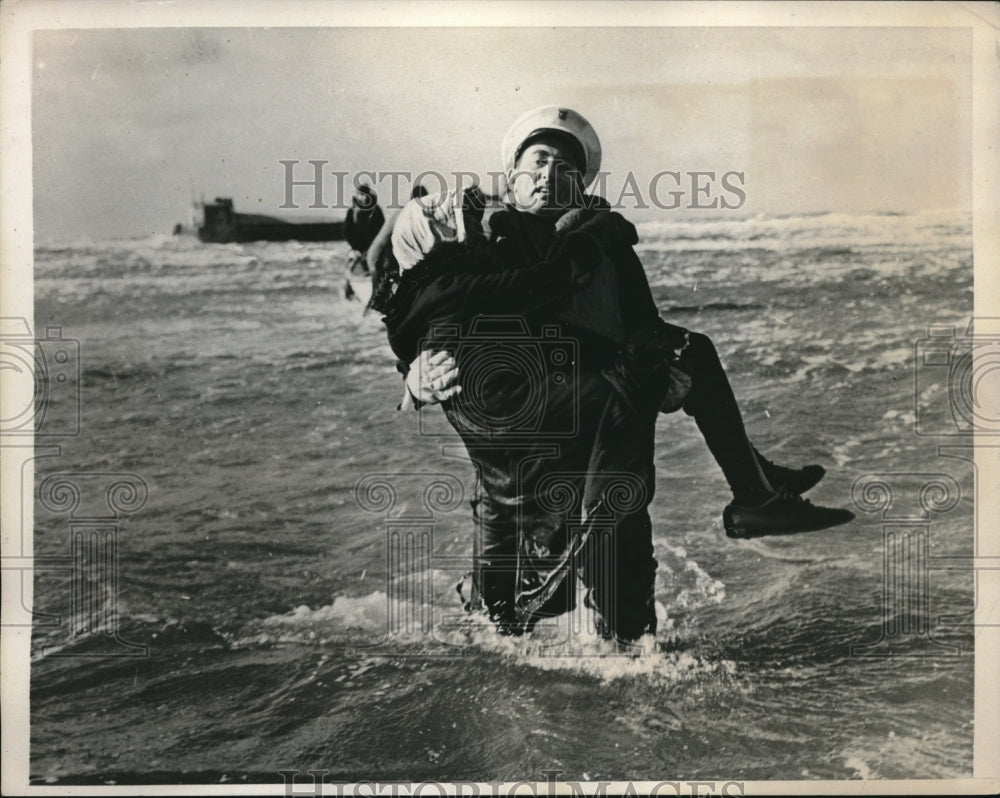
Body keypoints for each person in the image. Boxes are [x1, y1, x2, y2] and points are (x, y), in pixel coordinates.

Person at [395, 107, 854, 641]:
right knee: (501, 629)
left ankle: (750, 493)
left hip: (604, 445)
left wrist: (669, 373)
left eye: (567, 168)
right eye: (539, 161)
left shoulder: (603, 241)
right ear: (512, 175)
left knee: (629, 631)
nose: (550, 174)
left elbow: (646, 326)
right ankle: (755, 487)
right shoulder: (483, 238)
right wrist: (414, 376)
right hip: (518, 470)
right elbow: (433, 308)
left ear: (580, 184)